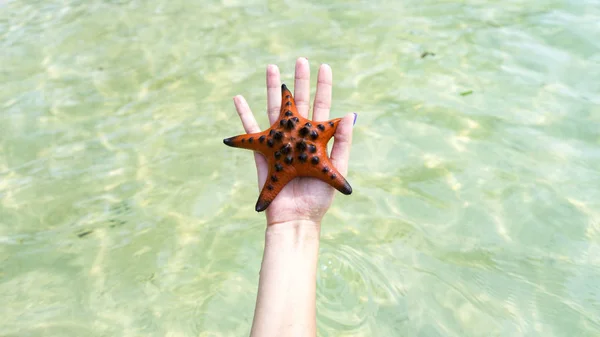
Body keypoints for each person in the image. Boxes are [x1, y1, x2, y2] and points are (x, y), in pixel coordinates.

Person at [230, 57, 355, 337]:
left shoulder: (276, 136)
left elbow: (260, 135)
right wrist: (297, 225)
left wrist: (292, 226)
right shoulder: (307, 135)